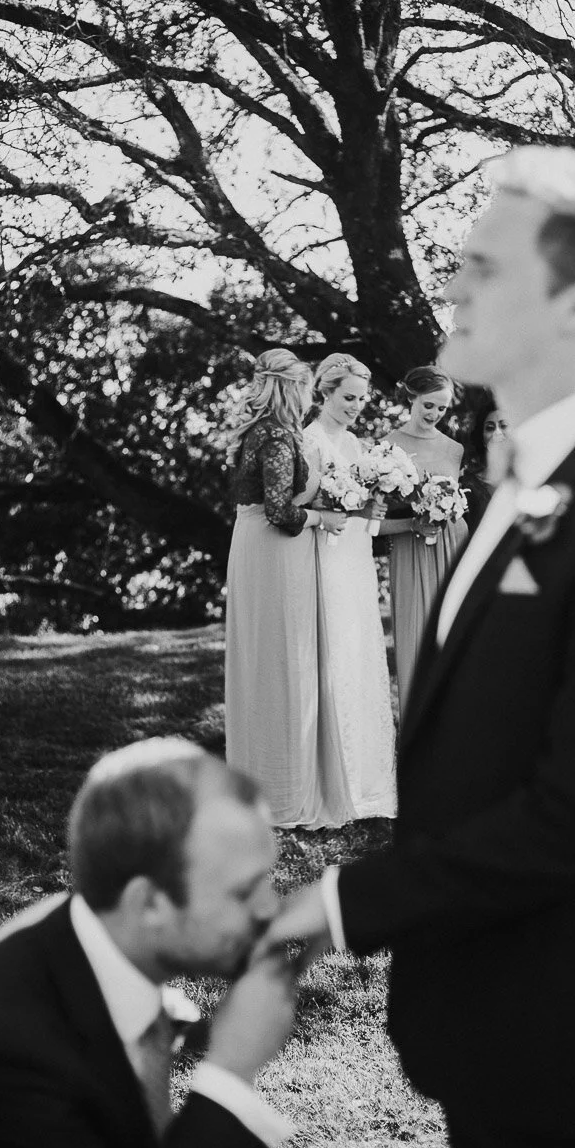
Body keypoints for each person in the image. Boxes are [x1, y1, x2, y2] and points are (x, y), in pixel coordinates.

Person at [261, 146, 575, 1148]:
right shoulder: (518, 487)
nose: (455, 285)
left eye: (486, 265)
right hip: (491, 1034)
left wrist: (342, 905)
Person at [0, 737, 298, 1148]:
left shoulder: (85, 933)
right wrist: (233, 1068)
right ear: (148, 904)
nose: (270, 907)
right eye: (243, 892)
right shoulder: (3, 1060)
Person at [225, 348, 352, 828]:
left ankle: (262, 783)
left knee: (263, 663)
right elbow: (280, 510)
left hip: (254, 545)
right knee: (282, 663)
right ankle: (281, 793)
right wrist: (323, 518)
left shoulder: (258, 432)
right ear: (289, 388)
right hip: (275, 551)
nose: (307, 396)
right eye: (303, 387)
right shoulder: (277, 435)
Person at [303, 353, 396, 818]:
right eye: (349, 397)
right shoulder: (310, 441)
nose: (357, 406)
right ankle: (333, 776)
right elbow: (306, 505)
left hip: (356, 557)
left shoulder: (357, 444)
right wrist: (346, 509)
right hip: (326, 556)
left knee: (360, 654)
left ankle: (367, 778)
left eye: (361, 399)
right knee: (334, 654)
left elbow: (361, 511)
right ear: (326, 392)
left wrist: (373, 510)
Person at [378, 365, 468, 714]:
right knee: (415, 639)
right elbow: (372, 523)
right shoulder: (387, 447)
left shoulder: (454, 449)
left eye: (442, 408)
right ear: (411, 398)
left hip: (452, 547)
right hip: (410, 548)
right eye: (428, 405)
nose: (434, 414)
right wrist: (412, 524)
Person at [460, 389, 510, 534]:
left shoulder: (531, 477)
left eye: (504, 426)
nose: (497, 433)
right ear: (482, 437)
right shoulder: (469, 485)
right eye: (490, 428)